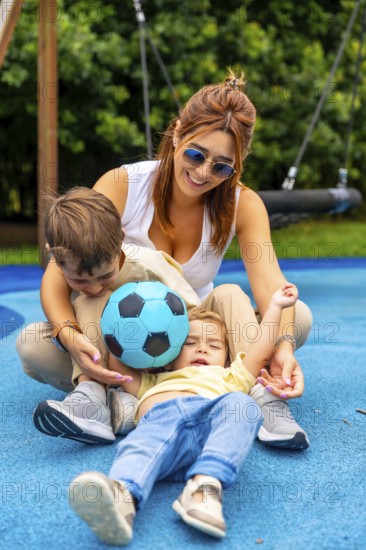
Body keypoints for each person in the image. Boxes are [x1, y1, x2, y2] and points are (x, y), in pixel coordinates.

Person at [17, 71, 312, 449]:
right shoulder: (123, 185)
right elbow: (61, 276)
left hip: (196, 338)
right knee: (35, 344)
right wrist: (70, 337)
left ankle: (253, 396)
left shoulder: (244, 204)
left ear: (237, 165)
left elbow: (274, 285)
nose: (204, 173)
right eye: (195, 154)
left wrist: (283, 347)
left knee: (295, 317)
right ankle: (94, 396)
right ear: (176, 134)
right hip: (119, 341)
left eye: (223, 166)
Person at [69, 283, 298, 545]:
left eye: (213, 345)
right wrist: (115, 323)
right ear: (169, 353)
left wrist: (276, 307)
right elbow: (118, 357)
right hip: (160, 427)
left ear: (226, 359)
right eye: (190, 343)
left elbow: (260, 349)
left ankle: (204, 488)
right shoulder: (155, 380)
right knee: (142, 445)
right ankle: (122, 499)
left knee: (243, 405)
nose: (202, 349)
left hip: (210, 435)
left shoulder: (230, 376)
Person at [27, 187, 201, 444]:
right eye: (79, 280)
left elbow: (197, 315)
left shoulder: (147, 265)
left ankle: (107, 398)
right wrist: (69, 336)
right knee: (29, 345)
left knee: (92, 301)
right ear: (53, 255)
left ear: (121, 239)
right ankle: (104, 399)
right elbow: (51, 292)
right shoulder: (66, 260)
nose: (95, 287)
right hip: (96, 358)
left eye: (105, 276)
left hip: (158, 366)